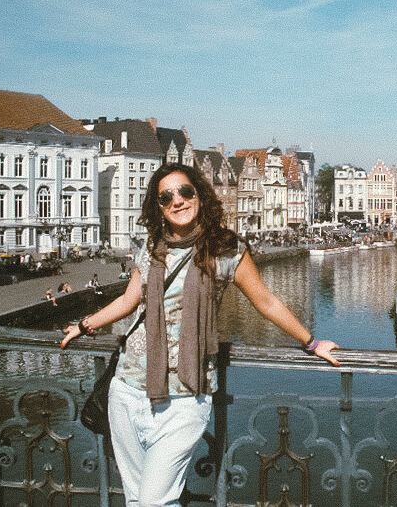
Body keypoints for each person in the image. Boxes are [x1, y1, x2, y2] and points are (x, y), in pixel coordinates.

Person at [61, 164, 340, 506]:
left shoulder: (226, 249)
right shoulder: (150, 246)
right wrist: (85, 324)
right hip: (127, 390)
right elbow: (129, 300)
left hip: (185, 397)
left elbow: (265, 300)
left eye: (185, 192)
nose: (177, 201)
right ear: (158, 207)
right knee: (136, 500)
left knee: (153, 502)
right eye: (166, 197)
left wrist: (311, 342)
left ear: (200, 196)